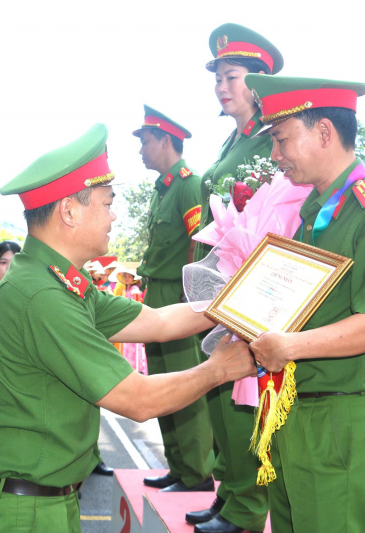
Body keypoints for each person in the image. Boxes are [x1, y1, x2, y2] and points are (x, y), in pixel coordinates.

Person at [0, 123, 256, 533]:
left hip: (39, 501)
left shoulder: (58, 280)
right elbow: (137, 399)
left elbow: (159, 321)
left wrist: (243, 299)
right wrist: (219, 368)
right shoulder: (43, 295)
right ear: (69, 211)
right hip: (19, 514)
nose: (115, 215)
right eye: (107, 203)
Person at [246, 75, 365, 533]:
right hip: (297, 410)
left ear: (324, 132)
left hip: (342, 417)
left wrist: (289, 346)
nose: (274, 156)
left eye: (281, 140)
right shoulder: (315, 212)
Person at [186, 24, 283, 533]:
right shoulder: (235, 139)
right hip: (221, 277)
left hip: (253, 280)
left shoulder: (273, 138)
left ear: (260, 81)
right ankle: (227, 494)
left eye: (233, 76)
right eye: (218, 78)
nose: (222, 86)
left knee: (244, 389)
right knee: (222, 388)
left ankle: (247, 508)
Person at [133, 106, 215, 494]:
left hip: (177, 297)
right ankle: (179, 467)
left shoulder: (188, 184)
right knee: (163, 384)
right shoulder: (162, 188)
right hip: (156, 295)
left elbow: (198, 245)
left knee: (186, 385)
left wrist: (189, 299)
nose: (141, 150)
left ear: (166, 141)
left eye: (146, 141)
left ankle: (198, 474)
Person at [111, 266, 147, 374]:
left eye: (129, 276)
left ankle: (135, 368)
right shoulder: (126, 289)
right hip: (127, 321)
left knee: (133, 345)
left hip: (133, 321)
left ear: (133, 278)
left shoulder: (134, 290)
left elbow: (137, 307)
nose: (127, 278)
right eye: (125, 276)